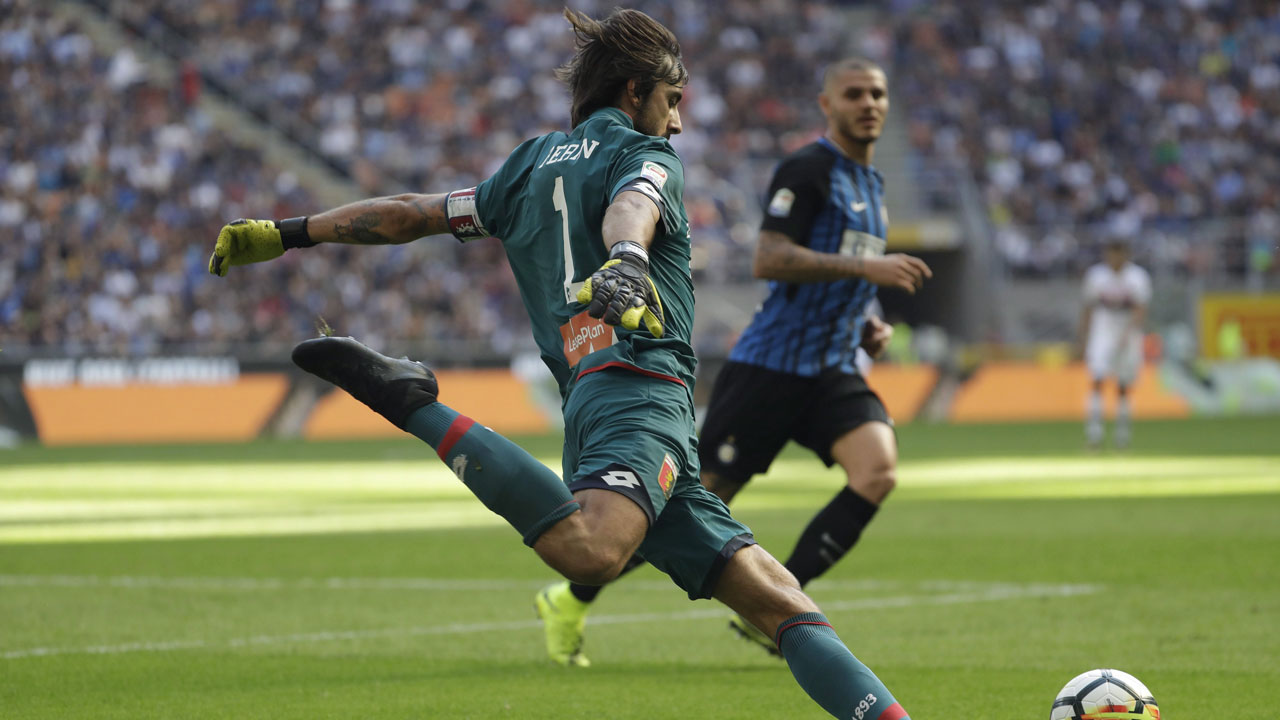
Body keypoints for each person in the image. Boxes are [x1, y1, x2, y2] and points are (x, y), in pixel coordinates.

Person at [206, 11, 911, 720]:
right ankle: (412, 402)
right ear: (635, 93)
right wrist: (629, 259)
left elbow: (411, 212)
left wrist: (287, 233)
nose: (679, 124)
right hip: (640, 393)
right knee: (592, 553)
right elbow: (634, 205)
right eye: (672, 102)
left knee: (781, 603)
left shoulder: (527, 166)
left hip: (602, 404)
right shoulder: (646, 155)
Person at [538, 57, 932, 662]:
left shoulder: (872, 185)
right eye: (854, 94)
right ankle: (572, 598)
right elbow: (770, 258)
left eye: (877, 93)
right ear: (828, 104)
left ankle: (777, 610)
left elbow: (842, 266)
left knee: (877, 471)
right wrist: (868, 269)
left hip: (830, 367)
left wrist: (866, 318)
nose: (869, 104)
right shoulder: (808, 170)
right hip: (769, 369)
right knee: (681, 508)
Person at [1078, 238, 1152, 449]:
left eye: (1118, 254)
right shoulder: (1096, 276)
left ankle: (1122, 435)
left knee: (1123, 385)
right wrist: (1082, 336)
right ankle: (1094, 434)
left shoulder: (1137, 277)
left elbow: (1140, 309)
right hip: (1102, 331)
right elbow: (1088, 307)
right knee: (1097, 378)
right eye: (1111, 254)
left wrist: (1129, 333)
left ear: (1125, 255)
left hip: (1127, 333)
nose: (1114, 259)